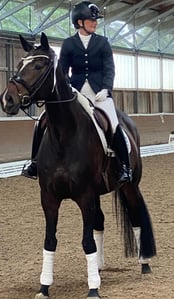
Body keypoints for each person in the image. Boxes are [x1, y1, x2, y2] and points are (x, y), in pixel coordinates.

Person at [21, 0, 132, 184]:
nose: (95, 23)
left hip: (99, 93)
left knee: (112, 123)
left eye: (95, 20)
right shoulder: (69, 44)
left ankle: (125, 168)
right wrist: (66, 89)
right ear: (80, 22)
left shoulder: (103, 43)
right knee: (41, 121)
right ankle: (33, 163)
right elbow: (63, 70)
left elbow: (109, 68)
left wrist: (106, 88)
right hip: (76, 92)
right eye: (91, 20)